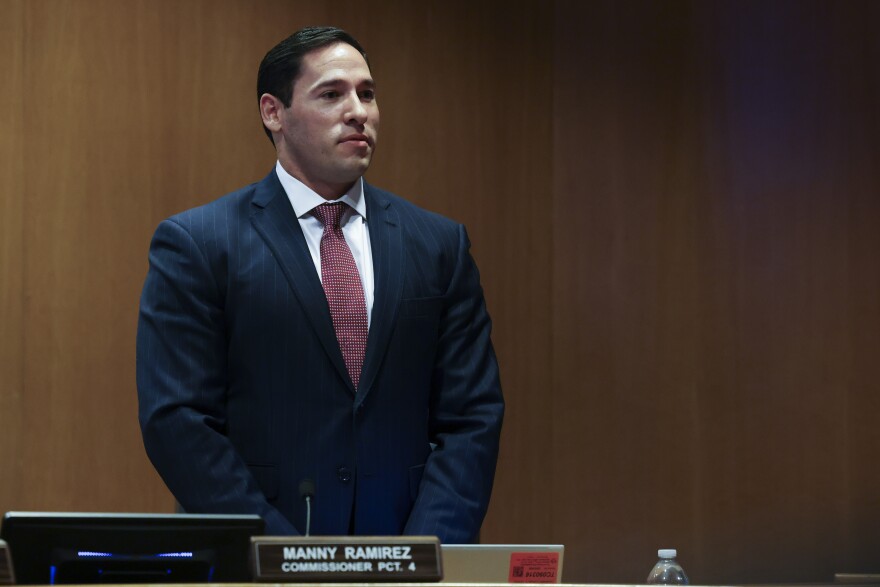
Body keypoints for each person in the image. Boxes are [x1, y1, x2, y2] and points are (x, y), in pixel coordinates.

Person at [136, 26, 504, 542]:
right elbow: (177, 420)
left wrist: (426, 550)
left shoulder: (439, 244)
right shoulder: (199, 243)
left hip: (407, 554)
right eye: (332, 94)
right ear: (274, 112)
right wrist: (282, 554)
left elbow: (471, 416)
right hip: (256, 560)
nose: (359, 111)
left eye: (367, 93)